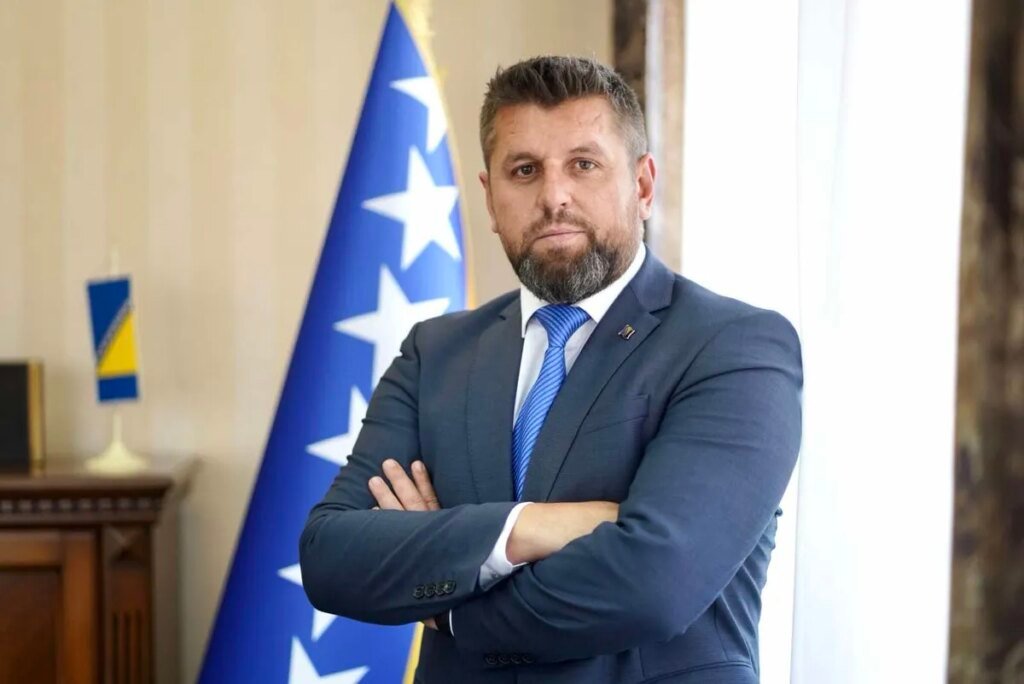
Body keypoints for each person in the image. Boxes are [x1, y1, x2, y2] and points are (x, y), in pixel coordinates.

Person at [300, 55, 802, 684]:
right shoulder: (436, 352)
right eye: (524, 170)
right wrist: (530, 527)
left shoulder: (734, 346)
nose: (553, 196)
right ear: (490, 198)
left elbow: (655, 584)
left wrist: (447, 599)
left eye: (584, 164)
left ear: (643, 186)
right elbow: (330, 558)